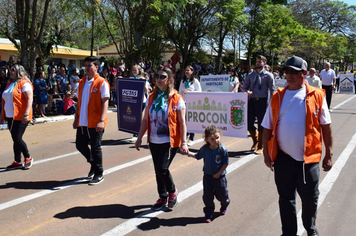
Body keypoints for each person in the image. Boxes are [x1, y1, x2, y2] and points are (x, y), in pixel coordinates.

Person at [262, 56, 333, 236]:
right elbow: (267, 126)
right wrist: (266, 153)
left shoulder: (317, 95)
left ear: (304, 73)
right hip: (283, 159)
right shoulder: (277, 96)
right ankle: (288, 233)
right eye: (287, 71)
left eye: (294, 71)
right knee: (286, 200)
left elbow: (326, 126)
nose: (289, 75)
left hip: (308, 160)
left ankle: (311, 230)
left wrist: (329, 153)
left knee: (310, 200)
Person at [135, 67, 189, 210]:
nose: (158, 79)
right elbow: (145, 120)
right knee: (157, 170)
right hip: (154, 140)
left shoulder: (177, 98)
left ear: (169, 80)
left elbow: (182, 122)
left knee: (162, 168)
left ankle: (172, 191)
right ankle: (162, 196)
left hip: (170, 141)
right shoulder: (152, 97)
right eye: (157, 76)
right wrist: (140, 137)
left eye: (162, 77)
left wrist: (184, 143)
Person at [73, 56, 110, 185]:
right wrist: (76, 118)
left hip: (95, 122)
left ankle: (99, 172)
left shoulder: (102, 82)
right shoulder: (82, 82)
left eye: (90, 65)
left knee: (95, 147)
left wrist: (101, 120)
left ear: (96, 67)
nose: (87, 68)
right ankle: (93, 164)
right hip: (83, 122)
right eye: (86, 65)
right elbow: (78, 102)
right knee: (80, 145)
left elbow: (105, 102)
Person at [183, 125, 230, 223]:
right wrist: (187, 153)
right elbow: (197, 156)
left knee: (222, 195)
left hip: (219, 177)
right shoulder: (205, 149)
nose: (216, 140)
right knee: (207, 196)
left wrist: (219, 173)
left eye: (217, 138)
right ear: (207, 139)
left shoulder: (222, 149)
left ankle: (224, 204)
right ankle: (208, 213)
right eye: (212, 139)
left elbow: (226, 163)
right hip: (208, 177)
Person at [0, 64, 34, 170]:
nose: (11, 71)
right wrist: (2, 114)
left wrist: (26, 113)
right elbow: (5, 100)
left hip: (21, 115)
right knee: (15, 139)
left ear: (19, 72)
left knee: (17, 138)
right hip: (10, 116)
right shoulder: (10, 83)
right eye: (11, 70)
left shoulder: (24, 83)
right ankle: (17, 160)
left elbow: (29, 99)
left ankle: (28, 157)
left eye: (13, 70)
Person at [243, 55, 275, 154]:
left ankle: (260, 146)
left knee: (262, 124)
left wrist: (272, 103)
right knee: (248, 123)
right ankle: (255, 140)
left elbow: (272, 89)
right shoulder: (250, 75)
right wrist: (246, 91)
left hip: (263, 101)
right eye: (257, 61)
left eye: (260, 61)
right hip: (252, 101)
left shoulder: (269, 75)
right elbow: (244, 87)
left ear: (264, 63)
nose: (258, 63)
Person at [178, 65, 202, 146]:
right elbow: (180, 93)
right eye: (186, 70)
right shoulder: (183, 81)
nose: (186, 72)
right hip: (183, 104)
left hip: (192, 104)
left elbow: (200, 92)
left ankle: (191, 138)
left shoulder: (195, 81)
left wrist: (189, 92)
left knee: (191, 121)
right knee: (183, 120)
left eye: (188, 70)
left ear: (192, 72)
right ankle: (185, 136)